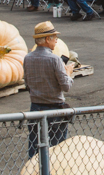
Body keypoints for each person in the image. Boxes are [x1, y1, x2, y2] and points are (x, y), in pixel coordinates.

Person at [24, 20, 72, 157]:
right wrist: (68, 73)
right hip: (55, 109)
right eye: (54, 37)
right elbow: (66, 86)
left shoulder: (27, 58)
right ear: (47, 39)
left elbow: (27, 83)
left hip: (35, 108)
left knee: (35, 149)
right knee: (56, 152)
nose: (56, 40)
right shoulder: (55, 59)